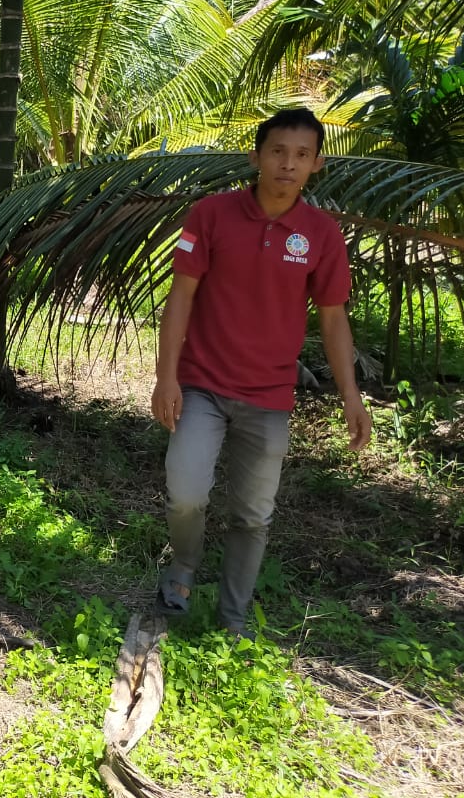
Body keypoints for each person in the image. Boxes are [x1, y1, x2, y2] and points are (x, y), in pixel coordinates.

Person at [150, 107, 372, 638]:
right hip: (202, 383)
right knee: (186, 491)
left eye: (301, 155)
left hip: (271, 394)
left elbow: (334, 319)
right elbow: (180, 299)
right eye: (277, 151)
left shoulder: (320, 233)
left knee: (253, 514)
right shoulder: (211, 215)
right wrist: (166, 376)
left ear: (317, 164)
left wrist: (351, 396)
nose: (287, 164)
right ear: (256, 156)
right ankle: (182, 569)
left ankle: (233, 618)